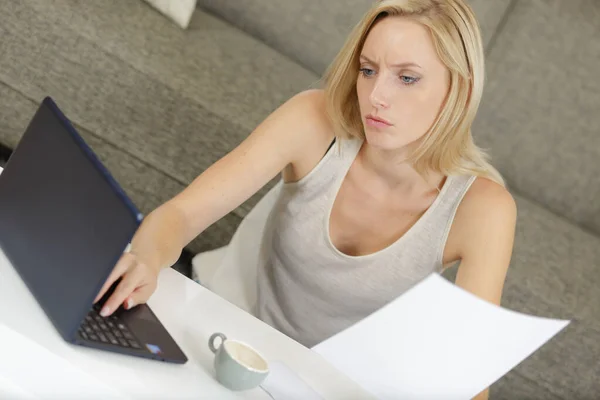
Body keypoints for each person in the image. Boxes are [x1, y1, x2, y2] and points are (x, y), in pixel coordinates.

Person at [96, 0, 516, 397]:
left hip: (329, 388)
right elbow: (184, 214)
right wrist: (147, 256)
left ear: (458, 89)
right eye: (368, 70)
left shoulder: (483, 211)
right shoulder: (314, 121)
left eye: (407, 77)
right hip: (227, 333)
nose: (377, 96)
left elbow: (471, 377)